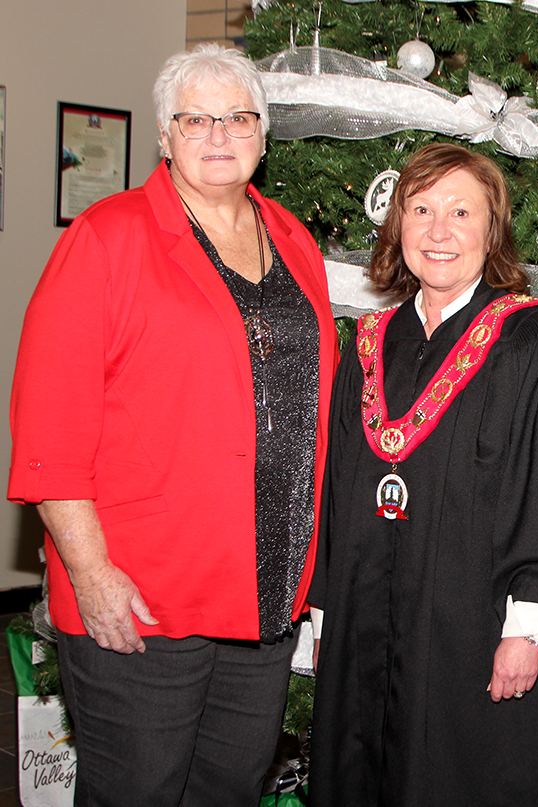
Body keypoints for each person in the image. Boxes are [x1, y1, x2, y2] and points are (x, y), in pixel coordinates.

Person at [7, 44, 340, 807]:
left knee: (227, 789)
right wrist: (91, 574)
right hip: (143, 590)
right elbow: (50, 427)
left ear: (263, 134)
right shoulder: (108, 237)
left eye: (237, 117)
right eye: (195, 118)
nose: (218, 134)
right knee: (137, 793)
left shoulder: (292, 239)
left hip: (264, 589)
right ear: (164, 136)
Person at [308, 143, 538, 807]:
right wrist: (328, 619)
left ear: (491, 230)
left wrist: (527, 627)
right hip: (365, 624)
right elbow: (338, 490)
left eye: (462, 211)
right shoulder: (369, 345)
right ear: (397, 227)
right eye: (422, 209)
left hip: (481, 629)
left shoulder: (535, 344)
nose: (439, 231)